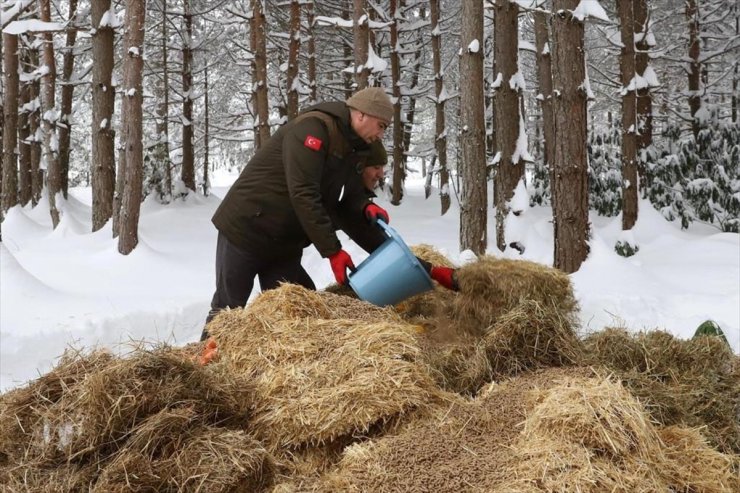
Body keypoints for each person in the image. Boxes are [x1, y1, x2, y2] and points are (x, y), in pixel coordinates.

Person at [202, 87, 455, 340]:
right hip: (247, 229)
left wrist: (428, 269)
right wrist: (333, 252)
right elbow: (303, 193)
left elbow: (348, 213)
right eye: (381, 125)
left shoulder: (356, 148)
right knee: (228, 310)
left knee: (300, 307)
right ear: (361, 116)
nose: (381, 134)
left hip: (284, 242)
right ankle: (202, 372)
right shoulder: (312, 130)